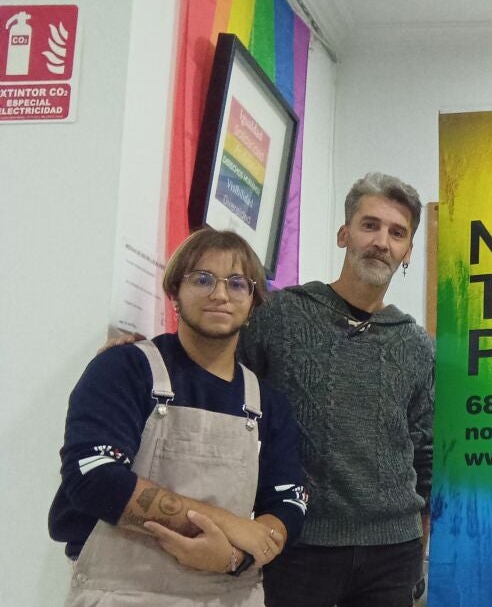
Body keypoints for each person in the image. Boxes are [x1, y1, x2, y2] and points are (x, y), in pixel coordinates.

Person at [49, 228, 307, 606]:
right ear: (174, 292)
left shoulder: (269, 405)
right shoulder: (126, 369)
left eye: (237, 283)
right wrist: (227, 524)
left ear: (253, 303)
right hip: (123, 593)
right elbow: (94, 477)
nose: (220, 294)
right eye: (202, 279)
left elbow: (288, 505)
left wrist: (232, 557)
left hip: (228, 594)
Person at [239, 172, 435, 607]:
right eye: (370, 225)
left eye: (397, 233)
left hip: (393, 554)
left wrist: (418, 551)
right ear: (344, 234)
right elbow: (218, 376)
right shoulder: (281, 316)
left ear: (407, 251)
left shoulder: (418, 346)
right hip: (298, 542)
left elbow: (425, 455)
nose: (382, 242)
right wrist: (146, 352)